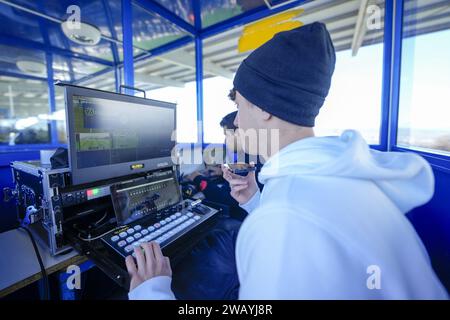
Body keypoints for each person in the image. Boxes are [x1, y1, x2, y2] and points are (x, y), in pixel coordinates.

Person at [126, 22, 448, 299]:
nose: (236, 122)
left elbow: (291, 229)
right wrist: (256, 201)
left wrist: (152, 290)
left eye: (240, 106)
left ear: (265, 107)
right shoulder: (344, 178)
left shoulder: (284, 221)